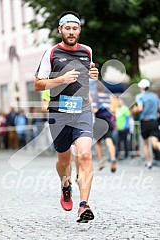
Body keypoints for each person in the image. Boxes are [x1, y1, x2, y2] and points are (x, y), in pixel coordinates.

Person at [34, 11, 98, 223]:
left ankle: (84, 205)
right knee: (64, 159)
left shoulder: (87, 51)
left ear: (79, 30)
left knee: (86, 155)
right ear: (60, 30)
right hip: (59, 114)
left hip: (82, 111)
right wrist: (60, 79)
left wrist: (92, 74)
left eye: (75, 28)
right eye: (67, 28)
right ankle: (65, 186)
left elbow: (86, 77)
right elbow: (38, 84)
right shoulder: (51, 53)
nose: (71, 32)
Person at [133, 79, 160, 169]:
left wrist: (134, 110)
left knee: (145, 143)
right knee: (155, 143)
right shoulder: (154, 96)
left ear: (141, 87)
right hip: (154, 121)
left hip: (145, 122)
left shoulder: (139, 96)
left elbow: (140, 108)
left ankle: (149, 163)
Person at [91, 83, 116, 172]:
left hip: (99, 121)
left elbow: (94, 109)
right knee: (109, 140)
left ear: (97, 89)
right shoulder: (109, 97)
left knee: (98, 142)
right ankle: (113, 158)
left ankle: (101, 161)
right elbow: (113, 110)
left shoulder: (96, 97)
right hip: (108, 121)